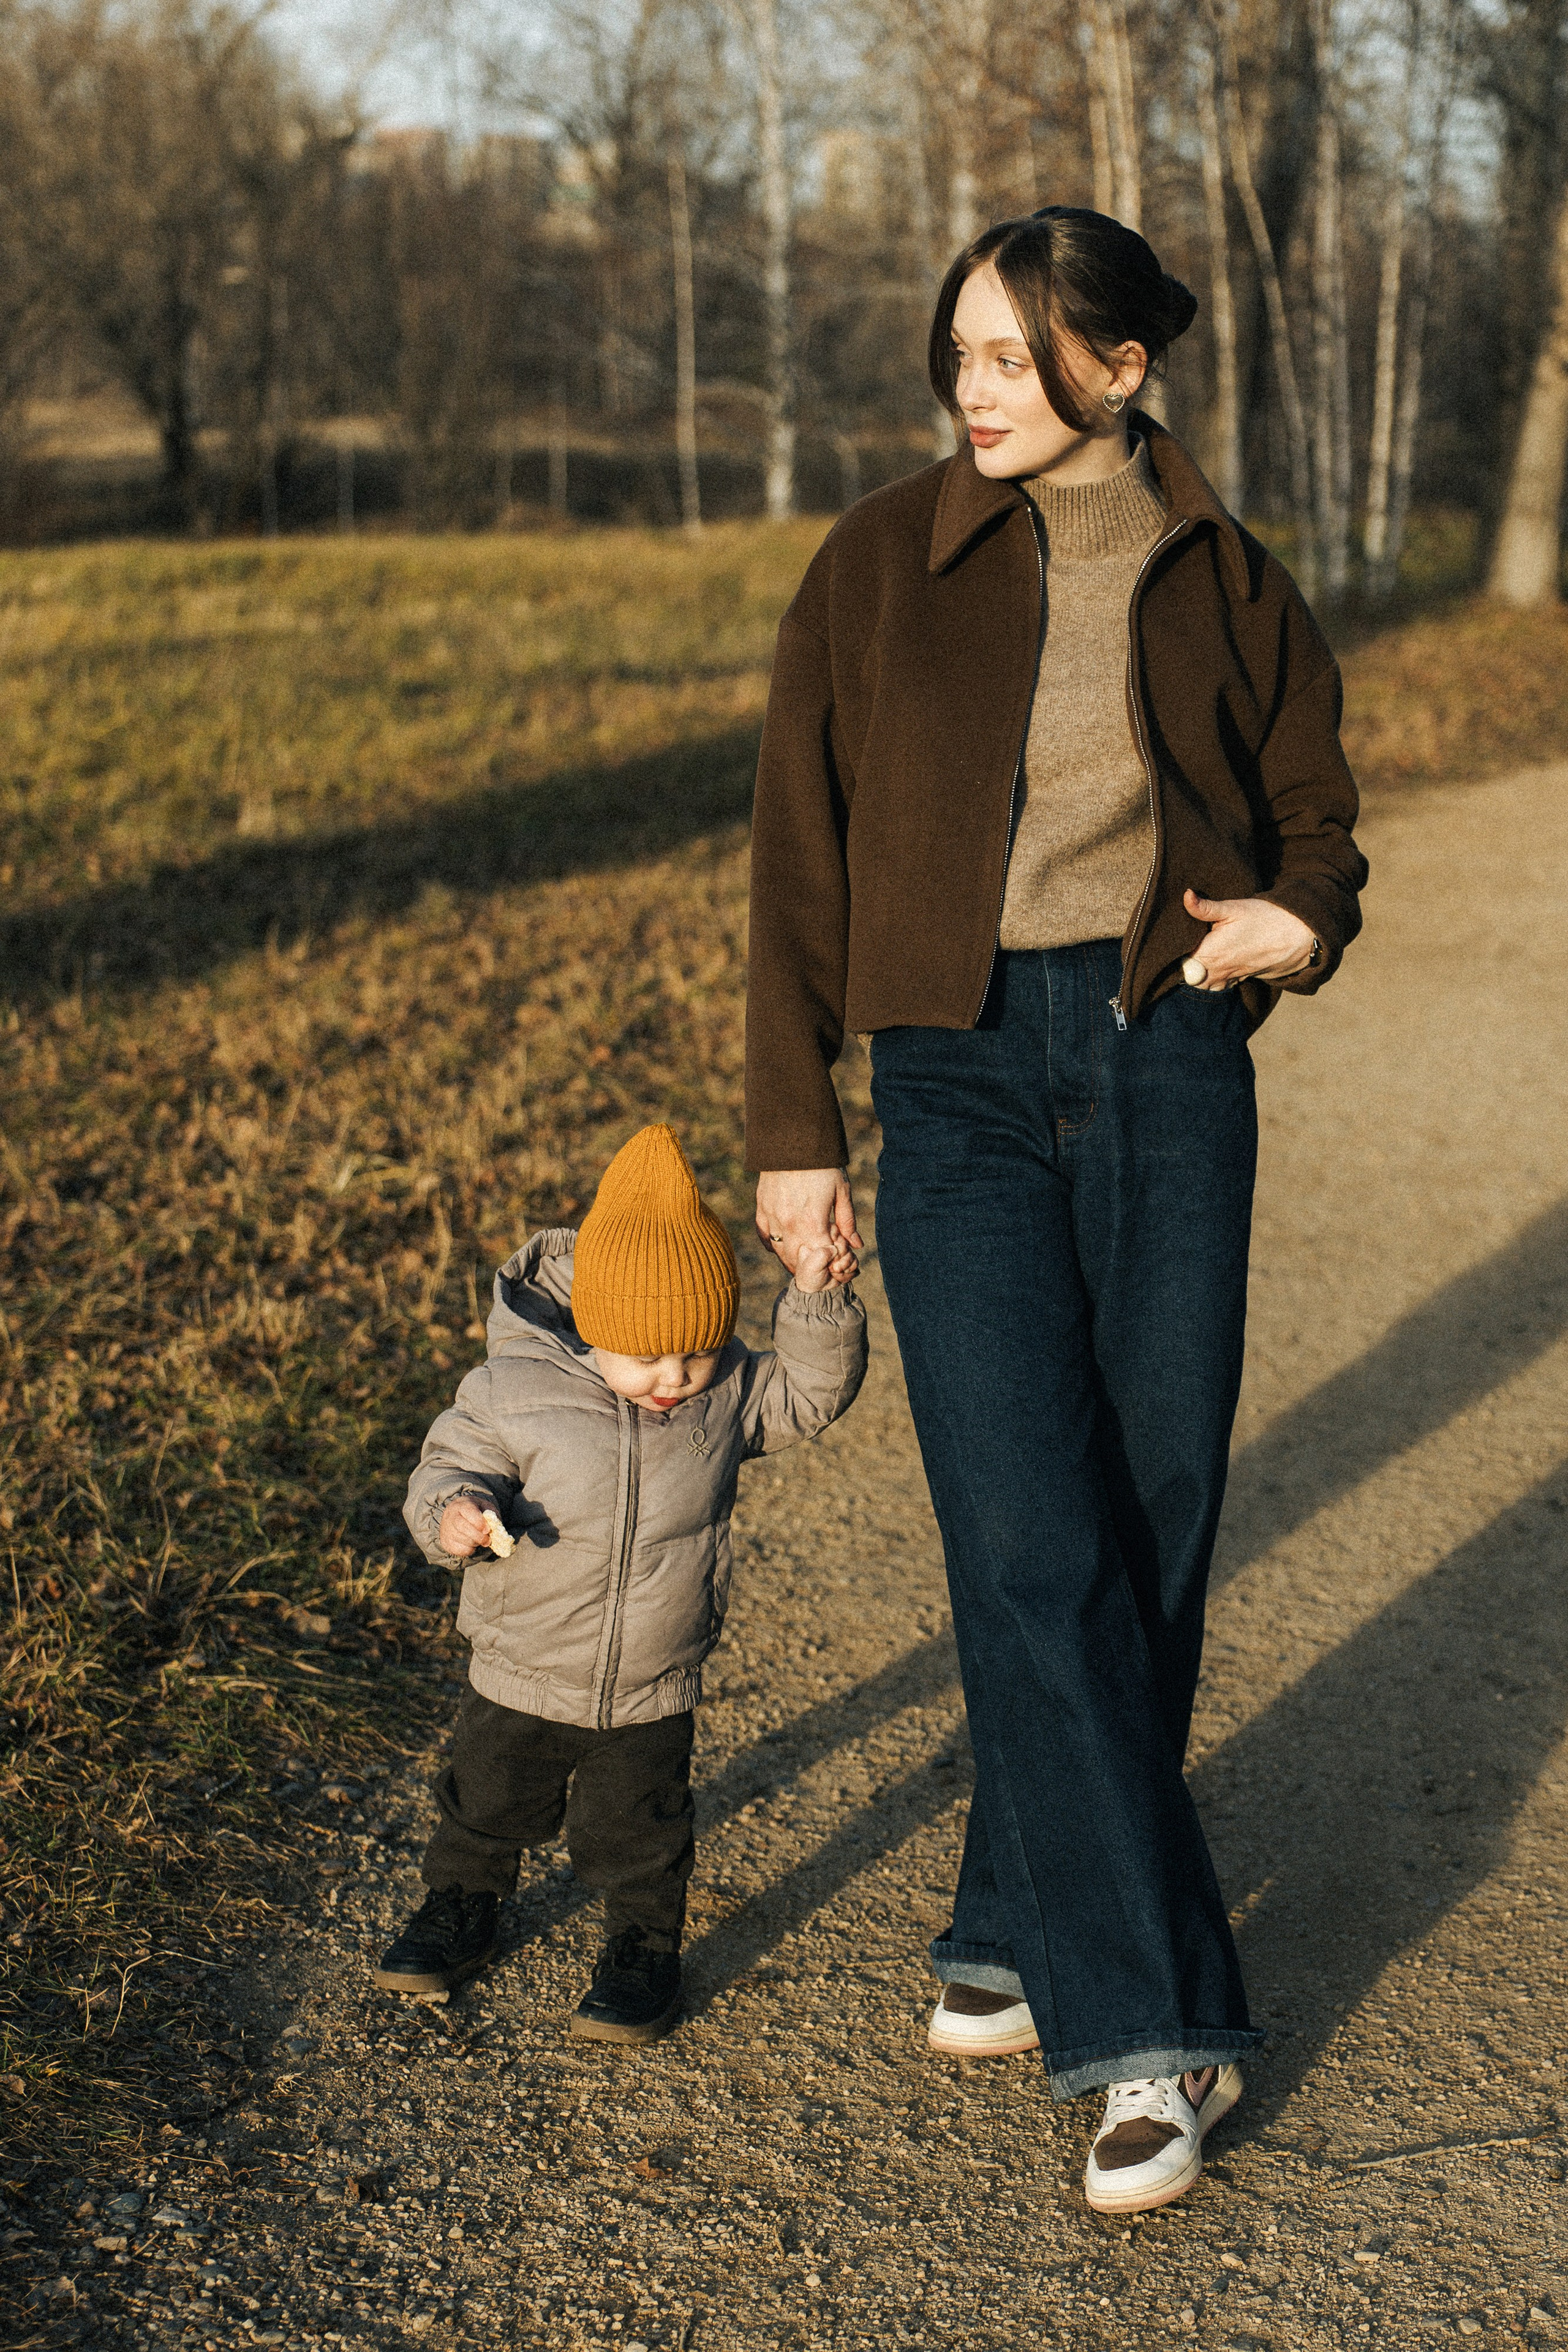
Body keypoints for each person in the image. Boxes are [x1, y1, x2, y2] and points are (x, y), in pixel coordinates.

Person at [745, 206, 1366, 2212]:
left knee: (1152, 1517)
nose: (975, 391)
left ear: (1124, 367)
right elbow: (795, 858)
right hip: (953, 1077)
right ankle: (1149, 2024)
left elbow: (1314, 806)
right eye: (962, 356)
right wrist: (798, 1131)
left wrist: (1304, 920)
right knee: (1027, 1533)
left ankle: (1010, 1909)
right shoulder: (878, 569)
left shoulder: (1225, 576)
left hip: (1165, 1050)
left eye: (1014, 356)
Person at [381, 1122, 866, 2041]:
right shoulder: (514, 1392)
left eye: (697, 1354)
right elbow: (447, 1469)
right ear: (596, 1328)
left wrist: (816, 1299)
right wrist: (453, 1517)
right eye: (648, 1358)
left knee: (638, 1832)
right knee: (485, 1803)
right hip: (521, 1662)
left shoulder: (722, 1396)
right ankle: (459, 1905)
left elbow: (809, 1394)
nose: (673, 1381)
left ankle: (643, 1948)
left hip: (651, 1678)